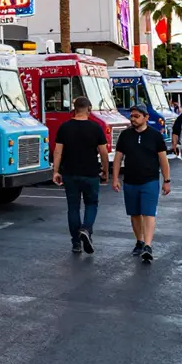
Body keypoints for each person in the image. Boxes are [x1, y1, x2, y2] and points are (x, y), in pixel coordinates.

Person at [112, 105, 171, 262]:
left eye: (136, 116)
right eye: (132, 116)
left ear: (146, 118)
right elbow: (118, 158)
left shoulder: (155, 136)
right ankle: (139, 241)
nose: (133, 119)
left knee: (149, 213)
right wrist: (115, 178)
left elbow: (163, 160)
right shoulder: (125, 135)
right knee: (135, 214)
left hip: (150, 181)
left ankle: (148, 246)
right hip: (130, 181)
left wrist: (167, 180)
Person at [52, 96, 109, 254]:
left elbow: (58, 151)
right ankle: (86, 228)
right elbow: (103, 152)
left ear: (74, 109)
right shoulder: (96, 128)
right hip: (90, 173)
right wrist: (106, 170)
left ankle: (76, 243)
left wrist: (56, 171)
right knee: (91, 204)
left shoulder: (64, 127)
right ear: (89, 109)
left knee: (73, 208)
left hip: (70, 173)